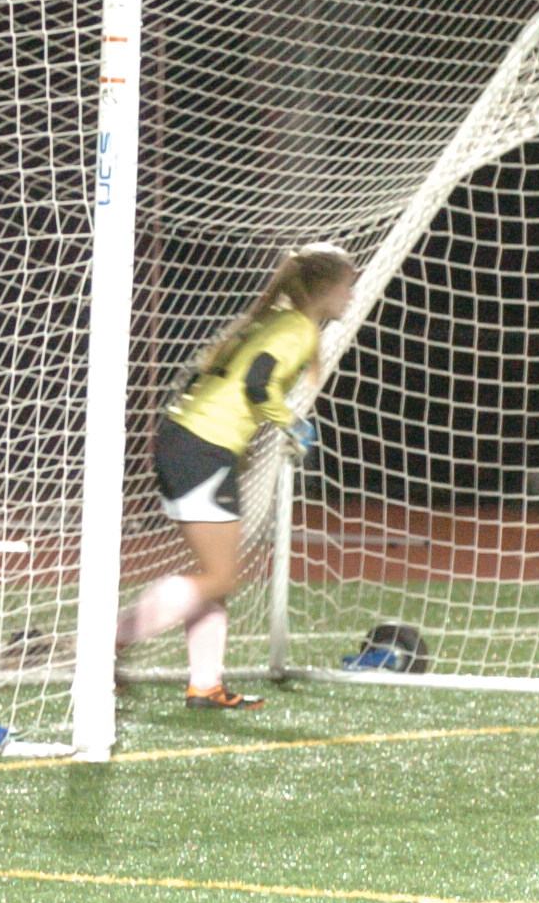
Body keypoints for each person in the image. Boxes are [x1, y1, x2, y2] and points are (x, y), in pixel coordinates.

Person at [114, 243, 357, 708]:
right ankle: (107, 642)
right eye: (347, 285)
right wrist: (291, 424)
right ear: (325, 288)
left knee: (218, 578)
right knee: (219, 576)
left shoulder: (274, 320)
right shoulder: (297, 329)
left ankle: (206, 684)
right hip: (201, 446)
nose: (351, 295)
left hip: (192, 441)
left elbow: (211, 380)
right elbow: (256, 384)